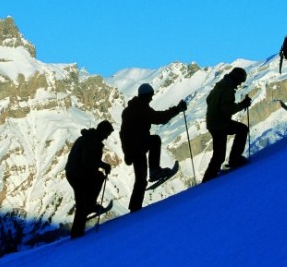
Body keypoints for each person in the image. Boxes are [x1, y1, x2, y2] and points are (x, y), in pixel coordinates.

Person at [120, 83, 187, 212]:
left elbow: (123, 133)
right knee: (155, 140)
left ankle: (134, 208)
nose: (151, 99)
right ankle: (155, 171)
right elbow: (159, 118)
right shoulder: (141, 109)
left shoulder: (130, 109)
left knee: (140, 179)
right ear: (146, 96)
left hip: (133, 148)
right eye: (150, 96)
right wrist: (177, 109)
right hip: (138, 147)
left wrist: (126, 152)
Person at [65, 120, 114, 239]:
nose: (106, 138)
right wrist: (103, 165)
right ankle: (76, 234)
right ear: (102, 131)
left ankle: (90, 206)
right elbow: (87, 161)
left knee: (97, 179)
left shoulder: (90, 139)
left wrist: (102, 165)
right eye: (106, 134)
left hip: (76, 173)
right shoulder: (91, 141)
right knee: (82, 203)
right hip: (78, 175)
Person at [202, 67, 252, 183]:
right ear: (237, 79)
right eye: (240, 81)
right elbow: (227, 109)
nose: (239, 84)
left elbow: (209, 100)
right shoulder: (228, 89)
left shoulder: (219, 86)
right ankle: (234, 159)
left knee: (218, 154)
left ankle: (209, 178)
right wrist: (242, 104)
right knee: (241, 130)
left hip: (214, 123)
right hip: (220, 124)